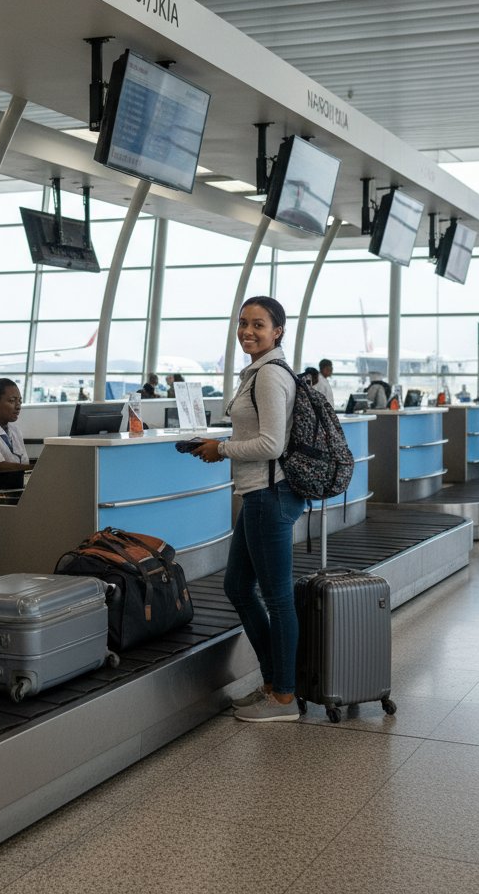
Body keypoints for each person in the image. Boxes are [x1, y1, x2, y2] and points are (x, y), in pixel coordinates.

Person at [187, 295, 305, 723]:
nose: (248, 331)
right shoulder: (255, 373)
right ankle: (273, 682)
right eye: (243, 323)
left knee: (277, 598)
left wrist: (221, 449)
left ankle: (284, 697)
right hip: (259, 494)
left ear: (278, 332)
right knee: (238, 587)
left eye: (258, 324)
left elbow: (272, 444)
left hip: (269, 495)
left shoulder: (270, 377)